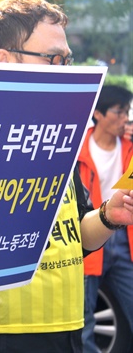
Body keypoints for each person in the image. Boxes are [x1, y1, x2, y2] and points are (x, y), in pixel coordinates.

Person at [0, 0, 133, 353]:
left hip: (64, 328)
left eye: (68, 59)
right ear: (4, 60)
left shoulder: (57, 137)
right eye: (54, 58)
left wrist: (109, 217)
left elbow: (76, 234)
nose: (64, 70)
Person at [77, 85, 133, 352]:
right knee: (85, 320)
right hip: (89, 233)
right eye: (119, 112)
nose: (125, 119)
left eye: (127, 113)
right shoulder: (76, 148)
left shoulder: (130, 147)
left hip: (125, 238)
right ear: (98, 114)